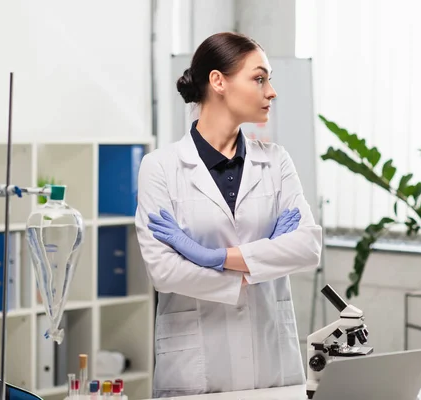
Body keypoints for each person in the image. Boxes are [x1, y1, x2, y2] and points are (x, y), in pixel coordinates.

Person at [134, 32, 323, 398]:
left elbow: (307, 247)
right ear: (218, 81)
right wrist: (264, 256)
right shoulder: (160, 167)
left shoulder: (276, 161)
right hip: (196, 368)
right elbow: (164, 271)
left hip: (272, 360)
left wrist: (214, 258)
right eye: (259, 78)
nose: (271, 91)